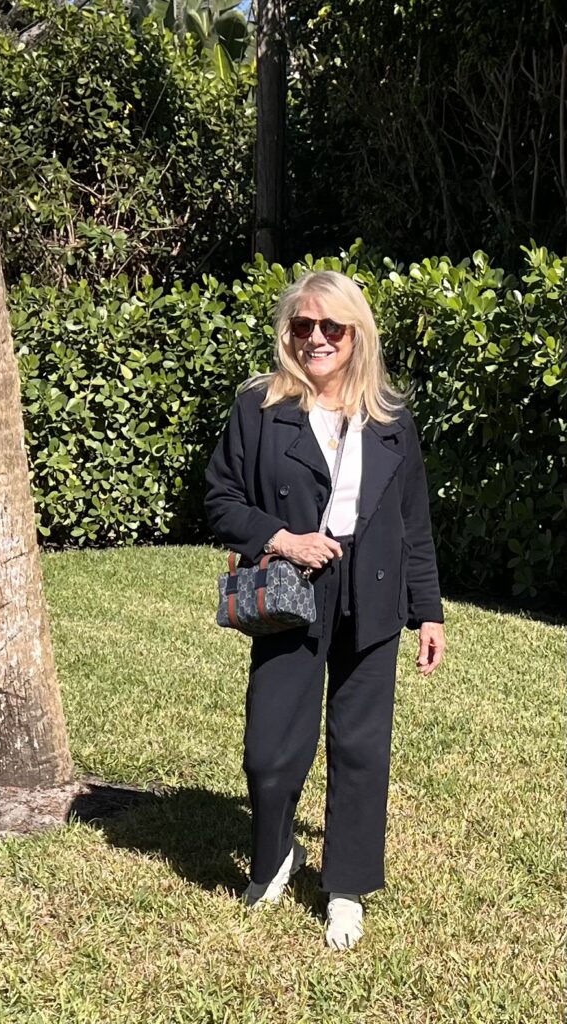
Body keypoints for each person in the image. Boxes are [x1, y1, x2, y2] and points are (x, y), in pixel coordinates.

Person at [204, 269, 445, 950]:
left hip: (373, 591)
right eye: (303, 325)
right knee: (269, 751)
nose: (316, 338)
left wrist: (428, 611)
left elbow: (413, 524)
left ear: (355, 334)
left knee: (361, 747)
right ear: (289, 332)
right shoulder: (259, 407)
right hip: (291, 589)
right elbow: (220, 499)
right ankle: (278, 852)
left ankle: (346, 888)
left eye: (331, 327)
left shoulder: (392, 419)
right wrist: (281, 539)